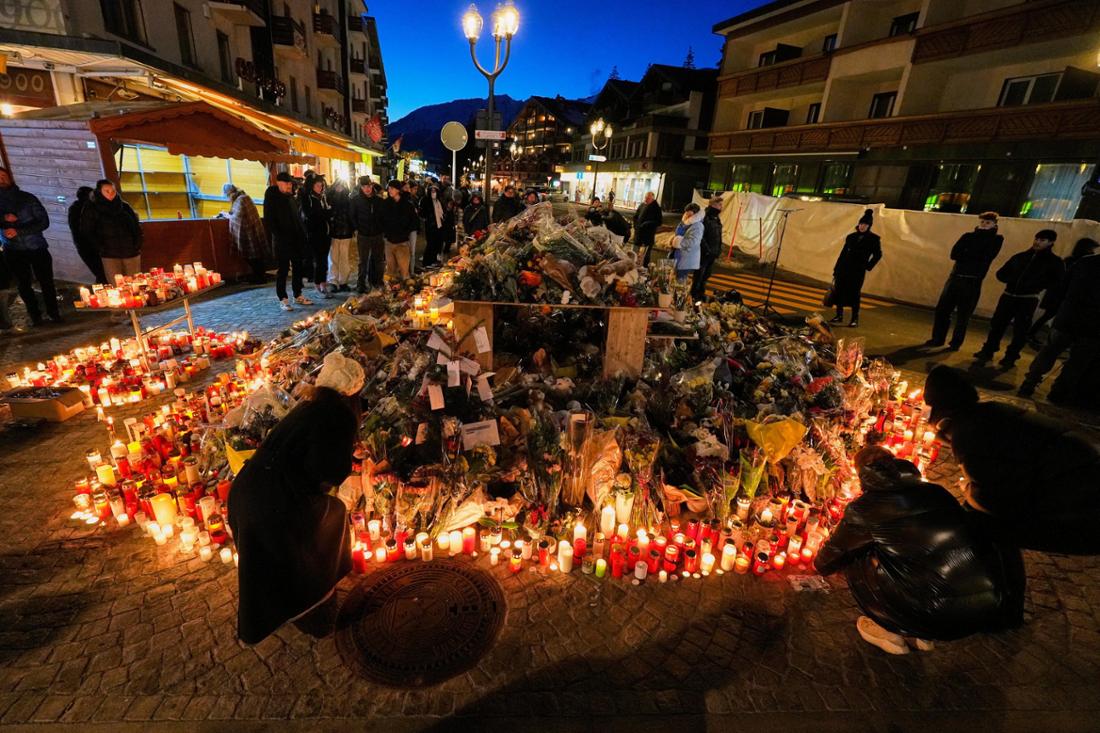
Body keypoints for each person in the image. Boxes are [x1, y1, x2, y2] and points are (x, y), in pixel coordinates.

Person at [815, 446, 1024, 655]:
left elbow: (827, 562)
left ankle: (887, 628)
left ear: (863, 474)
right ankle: (922, 636)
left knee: (856, 554)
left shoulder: (865, 508)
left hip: (930, 613)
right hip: (980, 609)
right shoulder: (936, 491)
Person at [228, 351, 364, 644]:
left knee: (273, 554)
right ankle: (315, 605)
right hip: (276, 501)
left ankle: (293, 607)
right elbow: (327, 470)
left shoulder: (308, 406)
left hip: (246, 491)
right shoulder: (340, 415)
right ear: (352, 394)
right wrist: (349, 462)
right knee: (329, 519)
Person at [924, 365, 1100, 555]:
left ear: (941, 417)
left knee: (974, 524)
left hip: (1082, 519)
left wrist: (967, 488)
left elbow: (995, 504)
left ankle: (996, 582)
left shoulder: (968, 435)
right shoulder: (988, 412)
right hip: (1081, 485)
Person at [1018, 242, 1100, 404]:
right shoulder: (1085, 262)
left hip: (1068, 317)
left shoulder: (1085, 262)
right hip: (1094, 326)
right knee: (1077, 362)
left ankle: (1030, 383)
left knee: (1049, 352)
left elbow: (1062, 286)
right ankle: (1058, 393)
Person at [974, 229, 1063, 368]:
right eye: (1037, 238)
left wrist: (1035, 284)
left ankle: (1011, 356)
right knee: (997, 325)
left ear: (1051, 242)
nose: (1037, 242)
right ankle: (988, 350)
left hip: (1028, 298)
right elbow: (1001, 273)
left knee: (1020, 330)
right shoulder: (1021, 256)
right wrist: (1010, 279)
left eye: (1042, 240)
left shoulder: (1054, 262)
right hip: (1009, 295)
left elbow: (1057, 281)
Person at [926, 211, 1003, 350]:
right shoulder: (968, 236)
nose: (984, 225)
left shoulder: (996, 239)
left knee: (963, 315)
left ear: (994, 225)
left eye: (988, 223)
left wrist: (968, 252)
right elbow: (954, 254)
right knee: (942, 310)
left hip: (973, 281)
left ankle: (955, 343)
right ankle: (937, 338)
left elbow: (986, 256)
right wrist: (972, 254)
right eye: (983, 222)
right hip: (956, 277)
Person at [0, 166, 61, 325]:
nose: (1, 180)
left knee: (46, 281)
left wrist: (19, 231)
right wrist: (4, 220)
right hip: (13, 250)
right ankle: (35, 316)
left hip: (36, 246)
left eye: (3, 176)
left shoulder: (27, 198)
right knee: (23, 284)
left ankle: (54, 313)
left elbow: (43, 221)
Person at [1028, 236, 1099, 344]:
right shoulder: (1077, 262)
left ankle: (1036, 335)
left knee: (1050, 317)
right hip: (1060, 296)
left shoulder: (1072, 261)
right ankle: (1036, 336)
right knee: (1051, 317)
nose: (1093, 252)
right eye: (1092, 249)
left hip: (1059, 295)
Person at [264, 172, 312, 311]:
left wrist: (302, 236)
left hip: (295, 238)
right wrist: (279, 235)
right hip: (282, 240)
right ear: (279, 182)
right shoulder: (272, 197)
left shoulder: (290, 197)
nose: (289, 186)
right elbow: (269, 220)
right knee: (283, 270)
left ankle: (298, 294)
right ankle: (283, 298)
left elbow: (296, 218)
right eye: (287, 183)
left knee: (298, 267)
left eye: (290, 183)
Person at [80, 179, 143, 284]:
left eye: (113, 191)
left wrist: (137, 243)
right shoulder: (91, 208)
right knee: (116, 284)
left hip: (130, 252)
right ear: (100, 191)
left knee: (135, 283)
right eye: (107, 191)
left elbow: (136, 227)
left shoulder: (125, 207)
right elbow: (87, 231)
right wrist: (100, 247)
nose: (111, 194)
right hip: (110, 254)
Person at [830, 209, 882, 328]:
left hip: (857, 271)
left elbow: (878, 254)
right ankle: (839, 315)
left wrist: (868, 266)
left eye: (865, 225)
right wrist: (836, 269)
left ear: (869, 226)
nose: (862, 226)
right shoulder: (851, 237)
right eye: (861, 224)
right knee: (839, 292)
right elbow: (843, 253)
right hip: (844, 268)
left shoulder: (874, 239)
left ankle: (854, 318)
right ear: (858, 224)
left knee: (855, 294)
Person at [224, 183, 269, 285]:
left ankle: (260, 277)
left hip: (250, 231)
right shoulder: (242, 198)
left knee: (254, 256)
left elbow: (238, 216)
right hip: (252, 229)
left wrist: (228, 216)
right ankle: (259, 276)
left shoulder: (242, 199)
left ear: (230, 193)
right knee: (255, 256)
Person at [299, 176, 332, 298]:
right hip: (314, 234)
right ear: (312, 186)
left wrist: (325, 214)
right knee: (318, 260)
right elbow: (313, 215)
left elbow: (326, 212)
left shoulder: (322, 197)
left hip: (325, 233)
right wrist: (325, 214)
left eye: (321, 185)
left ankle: (322, 282)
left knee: (323, 260)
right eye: (318, 185)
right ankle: (319, 285)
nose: (320, 187)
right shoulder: (308, 198)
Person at [379, 179, 418, 279]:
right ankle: (392, 292)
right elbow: (381, 219)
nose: (389, 190)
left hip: (402, 243)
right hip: (389, 243)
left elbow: (413, 222)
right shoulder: (386, 203)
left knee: (404, 272)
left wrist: (405, 232)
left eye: (392, 188)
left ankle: (405, 291)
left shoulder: (407, 205)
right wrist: (386, 233)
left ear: (398, 190)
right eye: (389, 188)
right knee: (391, 272)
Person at [350, 177, 384, 292]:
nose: (367, 189)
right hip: (363, 234)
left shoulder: (378, 200)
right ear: (361, 187)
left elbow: (382, 216)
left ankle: (377, 281)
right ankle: (361, 284)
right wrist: (356, 228)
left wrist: (381, 227)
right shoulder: (356, 200)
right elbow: (352, 216)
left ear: (372, 186)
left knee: (378, 260)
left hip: (377, 234)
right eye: (364, 187)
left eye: (369, 186)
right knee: (363, 261)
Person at [68, 186, 105, 284]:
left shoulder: (75, 208)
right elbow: (86, 230)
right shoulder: (84, 209)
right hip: (90, 246)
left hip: (85, 246)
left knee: (101, 273)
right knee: (102, 273)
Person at [693, 195, 724, 302]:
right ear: (713, 205)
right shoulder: (705, 217)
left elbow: (718, 235)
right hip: (704, 252)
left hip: (713, 252)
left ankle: (701, 293)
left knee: (706, 275)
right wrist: (707, 250)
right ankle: (694, 294)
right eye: (720, 205)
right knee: (699, 274)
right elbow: (700, 235)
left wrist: (719, 248)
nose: (721, 207)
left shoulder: (716, 218)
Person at [326, 179, 355, 292]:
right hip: (333, 233)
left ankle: (343, 281)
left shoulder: (348, 199)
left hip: (346, 232)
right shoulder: (329, 199)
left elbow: (351, 215)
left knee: (344, 258)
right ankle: (333, 281)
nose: (340, 188)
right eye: (338, 186)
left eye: (342, 186)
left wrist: (352, 228)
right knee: (333, 258)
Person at [674, 203, 704, 283]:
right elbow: (677, 234)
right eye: (686, 213)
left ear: (695, 214)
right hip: (679, 257)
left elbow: (693, 242)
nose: (687, 215)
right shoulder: (685, 223)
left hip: (686, 258)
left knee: (680, 282)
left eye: (689, 214)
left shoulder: (697, 225)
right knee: (676, 280)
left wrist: (678, 242)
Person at [420, 185, 447, 269]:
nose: (433, 192)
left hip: (439, 226)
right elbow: (422, 213)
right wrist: (427, 219)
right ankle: (426, 262)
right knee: (430, 244)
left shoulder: (439, 200)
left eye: (435, 191)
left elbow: (443, 212)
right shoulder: (425, 200)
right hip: (430, 226)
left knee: (437, 244)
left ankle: (433, 261)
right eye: (432, 191)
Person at [633, 191, 663, 266]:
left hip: (648, 235)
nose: (646, 199)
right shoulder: (642, 205)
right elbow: (636, 216)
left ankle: (644, 267)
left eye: (648, 198)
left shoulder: (656, 208)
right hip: (638, 233)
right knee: (634, 252)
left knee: (646, 254)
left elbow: (659, 222)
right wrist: (635, 226)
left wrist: (647, 223)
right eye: (645, 197)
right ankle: (632, 265)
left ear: (652, 198)